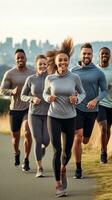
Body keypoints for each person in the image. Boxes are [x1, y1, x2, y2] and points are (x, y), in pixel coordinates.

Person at [43, 38, 86, 197]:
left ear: (68, 61)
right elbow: (45, 93)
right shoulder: (50, 78)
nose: (62, 62)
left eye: (65, 60)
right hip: (53, 116)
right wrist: (48, 98)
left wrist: (78, 99)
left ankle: (63, 169)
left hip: (70, 117)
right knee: (57, 150)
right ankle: (58, 184)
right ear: (56, 62)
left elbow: (82, 93)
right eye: (60, 60)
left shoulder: (74, 77)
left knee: (66, 152)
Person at [71, 43, 108, 178]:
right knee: (78, 137)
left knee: (85, 140)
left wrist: (95, 100)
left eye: (89, 54)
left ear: (92, 55)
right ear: (80, 55)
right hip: (77, 109)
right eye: (84, 53)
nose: (86, 56)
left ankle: (78, 149)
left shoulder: (98, 73)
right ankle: (78, 168)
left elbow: (104, 91)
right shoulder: (73, 71)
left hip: (92, 110)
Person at [0, 49, 34, 171]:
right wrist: (11, 91)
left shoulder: (32, 72)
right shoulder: (9, 74)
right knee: (15, 137)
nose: (20, 60)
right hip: (14, 109)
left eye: (22, 57)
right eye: (18, 58)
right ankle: (16, 153)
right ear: (15, 60)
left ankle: (26, 159)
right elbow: (2, 90)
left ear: (25, 58)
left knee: (27, 132)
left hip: (28, 108)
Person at [21, 55, 50, 177]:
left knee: (47, 141)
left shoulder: (52, 78)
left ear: (47, 65)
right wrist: (32, 99)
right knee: (38, 140)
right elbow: (23, 95)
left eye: (45, 64)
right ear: (36, 65)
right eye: (40, 64)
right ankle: (40, 168)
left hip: (49, 114)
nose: (43, 66)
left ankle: (43, 147)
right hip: (34, 114)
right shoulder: (30, 79)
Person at [97, 47, 112, 163]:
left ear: (109, 55)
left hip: (111, 103)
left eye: (106, 54)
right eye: (102, 54)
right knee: (104, 127)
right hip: (100, 103)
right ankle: (103, 153)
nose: (104, 55)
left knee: (108, 130)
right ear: (99, 55)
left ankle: (103, 148)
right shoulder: (95, 70)